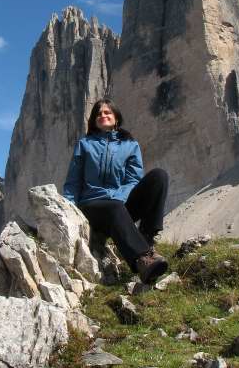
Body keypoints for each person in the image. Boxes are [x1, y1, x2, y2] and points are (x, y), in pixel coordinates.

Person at [63, 98, 169, 284]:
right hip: (92, 206)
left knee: (159, 176)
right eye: (98, 114)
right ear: (94, 121)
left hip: (119, 205)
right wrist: (67, 209)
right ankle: (142, 260)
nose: (103, 115)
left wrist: (119, 196)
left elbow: (134, 179)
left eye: (107, 112)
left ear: (116, 118)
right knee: (113, 206)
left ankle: (147, 237)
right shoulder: (85, 144)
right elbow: (73, 181)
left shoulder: (130, 145)